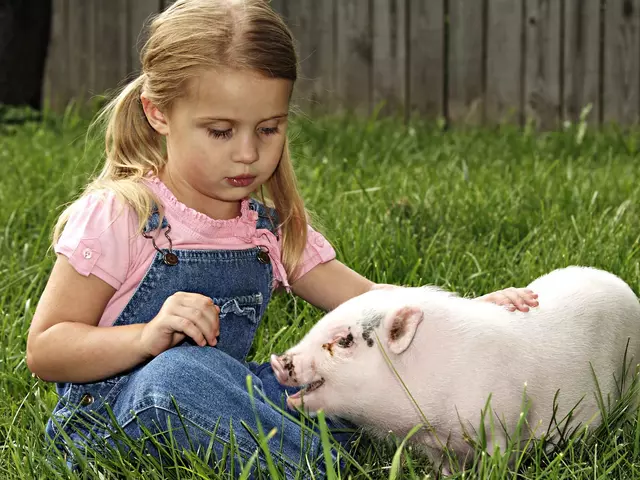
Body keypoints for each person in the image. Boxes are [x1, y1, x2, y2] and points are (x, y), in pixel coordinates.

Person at [25, 0, 539, 478]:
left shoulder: (267, 229)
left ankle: (317, 447)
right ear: (158, 113)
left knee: (338, 391)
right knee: (177, 373)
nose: (248, 153)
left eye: (268, 129)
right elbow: (46, 349)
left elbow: (367, 303)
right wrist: (144, 338)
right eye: (221, 131)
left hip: (223, 402)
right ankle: (319, 467)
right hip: (116, 422)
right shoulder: (123, 213)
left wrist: (463, 310)